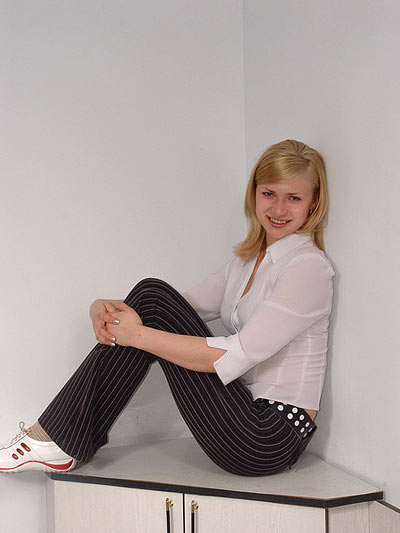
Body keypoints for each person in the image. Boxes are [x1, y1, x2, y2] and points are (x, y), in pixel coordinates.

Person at [0, 139, 334, 476]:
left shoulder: (307, 267)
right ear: (254, 194)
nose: (278, 209)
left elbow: (236, 354)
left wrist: (136, 335)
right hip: (242, 410)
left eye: (294, 198)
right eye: (269, 194)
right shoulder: (247, 263)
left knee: (152, 298)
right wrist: (101, 309)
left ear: (313, 203)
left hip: (268, 436)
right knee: (151, 296)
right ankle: (60, 442)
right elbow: (173, 309)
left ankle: (58, 440)